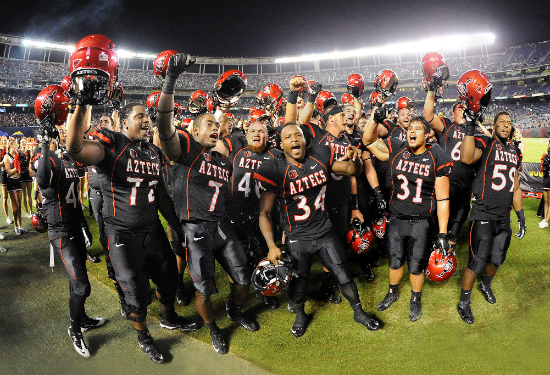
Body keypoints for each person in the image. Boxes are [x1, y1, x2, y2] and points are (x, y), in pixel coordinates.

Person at [66, 102, 199, 364]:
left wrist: (175, 224)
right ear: (125, 122)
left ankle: (169, 318)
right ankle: (144, 337)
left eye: (147, 116)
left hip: (152, 228)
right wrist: (82, 104)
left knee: (168, 278)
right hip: (122, 233)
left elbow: (160, 193)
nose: (146, 120)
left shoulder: (153, 152)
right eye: (140, 116)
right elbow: (76, 148)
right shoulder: (112, 143)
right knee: (136, 293)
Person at [156, 53, 258, 355]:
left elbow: (227, 197)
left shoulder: (222, 160)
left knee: (242, 277)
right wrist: (170, 81)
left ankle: (234, 310)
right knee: (203, 288)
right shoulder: (184, 148)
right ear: (194, 130)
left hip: (222, 226)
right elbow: (164, 129)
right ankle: (213, 329)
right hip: (195, 229)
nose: (215, 127)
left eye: (217, 125)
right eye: (208, 125)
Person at [256, 123, 380, 337]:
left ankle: (359, 312)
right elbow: (264, 213)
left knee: (343, 274)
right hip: (297, 237)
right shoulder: (274, 169)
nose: (294, 139)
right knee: (299, 281)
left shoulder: (320, 154)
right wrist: (271, 245)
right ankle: (300, 315)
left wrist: (355, 159)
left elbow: (352, 170)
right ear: (282, 144)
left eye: (298, 135)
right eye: (288, 137)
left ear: (305, 140)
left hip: (324, 231)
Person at [364, 115, 453, 322]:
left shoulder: (436, 155)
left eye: (418, 129)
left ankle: (415, 298)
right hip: (396, 218)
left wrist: (442, 232)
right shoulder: (397, 148)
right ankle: (393, 292)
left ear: (427, 134)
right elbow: (368, 141)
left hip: (421, 221)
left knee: (416, 264)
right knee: (394, 260)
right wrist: (375, 119)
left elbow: (443, 198)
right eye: (410, 128)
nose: (412, 132)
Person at [35, 125, 105, 357]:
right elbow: (44, 180)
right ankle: (75, 330)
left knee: (77, 281)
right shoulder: (50, 158)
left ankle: (82, 319)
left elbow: (75, 199)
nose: (69, 132)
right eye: (64, 129)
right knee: (82, 286)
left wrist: (84, 226)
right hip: (61, 232)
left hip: (74, 226)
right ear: (56, 133)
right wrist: (45, 143)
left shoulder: (71, 158)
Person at [457, 111, 525, 324]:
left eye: (509, 123)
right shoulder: (485, 143)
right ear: (494, 125)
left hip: (504, 217)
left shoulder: (515, 151)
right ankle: (464, 303)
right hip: (483, 214)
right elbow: (466, 157)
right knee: (476, 263)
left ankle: (485, 285)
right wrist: (469, 125)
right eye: (502, 122)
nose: (506, 126)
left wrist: (521, 216)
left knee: (496, 260)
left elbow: (515, 187)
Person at [224, 120, 283, 309]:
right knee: (237, 261)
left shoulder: (277, 156)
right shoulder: (235, 153)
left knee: (263, 257)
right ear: (246, 135)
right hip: (236, 216)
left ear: (268, 136)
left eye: (261, 131)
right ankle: (234, 302)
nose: (257, 134)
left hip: (263, 215)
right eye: (253, 131)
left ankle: (261, 289)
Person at [424, 99, 475, 251]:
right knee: (439, 223)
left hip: (466, 186)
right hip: (447, 184)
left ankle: (446, 258)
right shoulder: (447, 125)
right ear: (453, 114)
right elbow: (428, 115)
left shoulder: (474, 130)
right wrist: (432, 91)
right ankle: (433, 256)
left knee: (457, 225)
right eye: (460, 109)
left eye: (466, 108)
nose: (464, 111)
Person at [3, 138, 26, 235]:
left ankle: (20, 226)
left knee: (19, 205)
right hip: (11, 181)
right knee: (15, 206)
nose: (17, 147)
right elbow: (8, 172)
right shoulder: (6, 157)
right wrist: (17, 168)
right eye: (15, 146)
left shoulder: (17, 156)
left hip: (18, 181)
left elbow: (21, 170)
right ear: (11, 146)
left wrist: (22, 167)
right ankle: (15, 226)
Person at [540, 140, 550, 228]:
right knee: (546, 201)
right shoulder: (546, 155)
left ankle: (547, 220)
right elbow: (543, 168)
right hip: (546, 178)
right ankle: (545, 218)